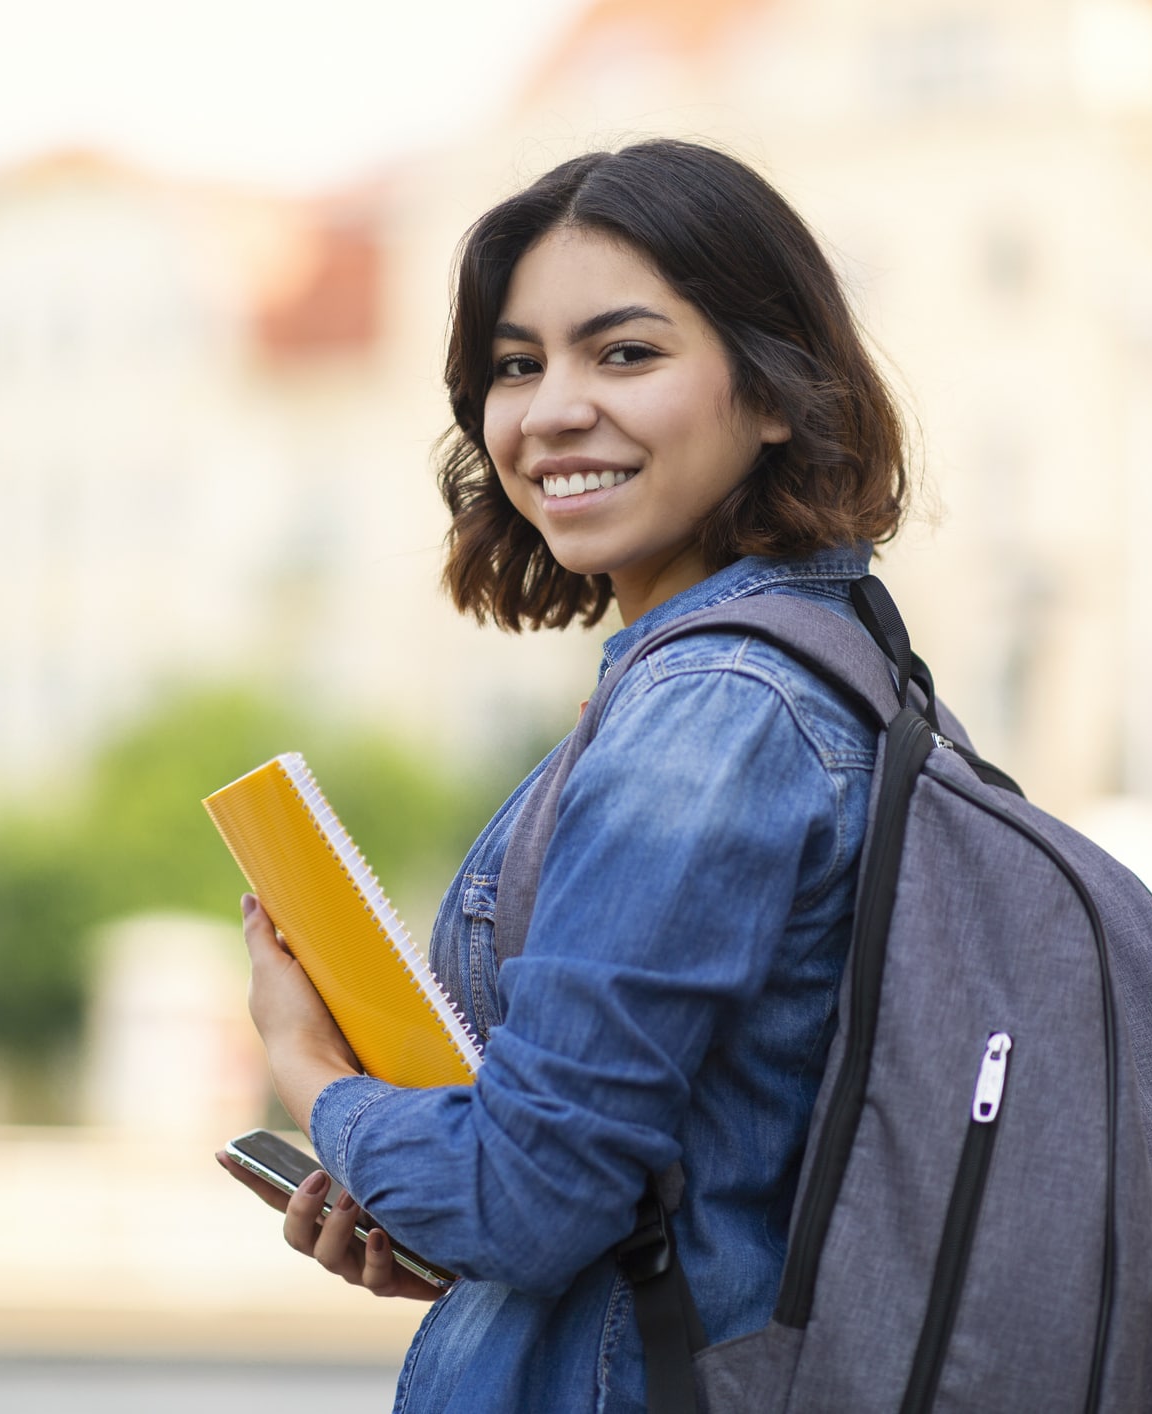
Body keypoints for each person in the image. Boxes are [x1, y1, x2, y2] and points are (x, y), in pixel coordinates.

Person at [216, 139, 908, 1412]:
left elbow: (529, 1197)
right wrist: (449, 1243)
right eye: (516, 364)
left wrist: (312, 1075)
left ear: (773, 391)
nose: (550, 410)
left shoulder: (712, 717)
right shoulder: (826, 672)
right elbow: (665, 1199)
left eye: (626, 353)